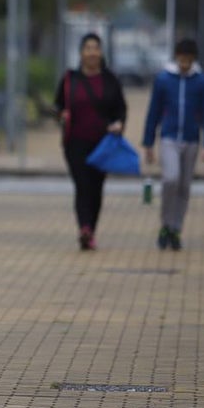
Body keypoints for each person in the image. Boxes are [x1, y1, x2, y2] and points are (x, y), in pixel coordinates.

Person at [52, 32, 128, 250]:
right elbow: (57, 106)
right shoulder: (70, 79)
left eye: (96, 48)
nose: (92, 52)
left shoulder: (110, 80)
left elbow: (120, 109)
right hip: (74, 142)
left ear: (101, 52)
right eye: (88, 48)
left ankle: (91, 228)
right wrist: (61, 115)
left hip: (103, 144)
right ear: (81, 53)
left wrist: (119, 124)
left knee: (96, 186)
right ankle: (84, 228)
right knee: (82, 184)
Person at [141, 38, 204, 251]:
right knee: (170, 179)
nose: (184, 64)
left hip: (191, 139)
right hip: (169, 137)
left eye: (188, 60)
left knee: (184, 186)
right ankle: (165, 222)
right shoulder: (164, 79)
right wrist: (148, 142)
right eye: (181, 59)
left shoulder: (201, 81)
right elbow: (153, 111)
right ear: (176, 57)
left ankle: (176, 227)